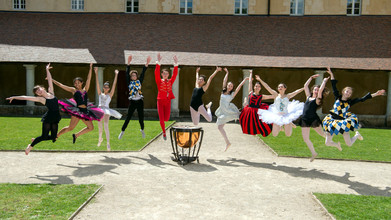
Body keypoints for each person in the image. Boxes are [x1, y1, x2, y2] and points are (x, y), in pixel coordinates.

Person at [322, 67, 386, 148]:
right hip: (332, 120)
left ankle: (356, 135)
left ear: (350, 95)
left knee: (349, 144)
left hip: (343, 122)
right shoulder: (337, 97)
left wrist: (376, 94)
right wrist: (331, 74)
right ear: (343, 92)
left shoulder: (350, 102)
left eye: (350, 93)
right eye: (347, 91)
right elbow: (334, 85)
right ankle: (337, 145)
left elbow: (363, 99)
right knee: (327, 143)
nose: (348, 93)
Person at [6, 63, 61, 155]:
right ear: (38, 95)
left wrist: (47, 70)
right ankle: (30, 146)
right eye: (37, 92)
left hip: (56, 117)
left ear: (42, 88)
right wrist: (14, 97)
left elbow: (50, 80)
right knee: (44, 136)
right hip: (48, 118)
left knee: (54, 138)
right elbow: (25, 97)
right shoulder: (41, 99)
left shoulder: (51, 92)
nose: (39, 91)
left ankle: (36, 139)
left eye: (39, 89)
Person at [54, 63, 104, 143]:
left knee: (91, 128)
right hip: (78, 111)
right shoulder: (74, 90)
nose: (77, 84)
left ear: (82, 83)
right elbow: (61, 85)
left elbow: (89, 79)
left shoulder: (85, 89)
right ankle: (56, 135)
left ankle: (76, 135)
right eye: (75, 83)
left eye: (78, 82)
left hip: (85, 111)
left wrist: (90, 68)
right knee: (70, 128)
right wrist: (52, 80)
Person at [299, 74, 333, 162]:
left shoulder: (318, 99)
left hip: (313, 119)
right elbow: (305, 86)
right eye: (315, 89)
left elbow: (321, 90)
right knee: (305, 138)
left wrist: (324, 81)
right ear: (312, 90)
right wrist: (310, 78)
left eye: (317, 90)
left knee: (322, 134)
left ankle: (329, 137)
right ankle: (314, 153)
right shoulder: (308, 97)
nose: (316, 90)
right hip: (305, 119)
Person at [215, 68, 249, 151]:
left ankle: (248, 119)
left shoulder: (232, 94)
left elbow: (239, 87)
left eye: (231, 86)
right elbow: (224, 80)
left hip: (228, 111)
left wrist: (244, 80)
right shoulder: (223, 91)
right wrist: (227, 72)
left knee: (238, 116)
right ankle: (227, 142)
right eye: (229, 85)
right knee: (220, 127)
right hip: (222, 111)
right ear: (227, 86)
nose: (230, 87)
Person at [119, 55, 151, 139]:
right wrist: (128, 64)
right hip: (132, 101)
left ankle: (142, 129)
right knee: (128, 117)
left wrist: (146, 64)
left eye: (135, 75)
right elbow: (126, 73)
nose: (134, 76)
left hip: (140, 101)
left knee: (141, 117)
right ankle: (122, 131)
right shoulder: (129, 82)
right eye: (132, 75)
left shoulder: (139, 82)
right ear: (131, 77)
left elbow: (143, 73)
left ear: (136, 76)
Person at [94, 68, 121, 151]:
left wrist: (116, 74)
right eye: (104, 87)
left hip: (106, 110)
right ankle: (100, 139)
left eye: (107, 87)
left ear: (108, 89)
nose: (106, 88)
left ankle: (108, 143)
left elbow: (114, 85)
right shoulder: (100, 94)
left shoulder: (110, 94)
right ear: (103, 88)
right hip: (99, 109)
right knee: (99, 127)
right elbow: (97, 84)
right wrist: (96, 73)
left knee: (106, 126)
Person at [239, 70, 273, 136]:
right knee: (248, 124)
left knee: (258, 124)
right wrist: (251, 73)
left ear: (260, 88)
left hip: (256, 112)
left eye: (258, 86)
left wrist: (260, 80)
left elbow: (273, 96)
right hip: (249, 111)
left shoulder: (261, 96)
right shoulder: (250, 93)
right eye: (256, 86)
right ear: (254, 87)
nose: (257, 87)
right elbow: (250, 82)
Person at [154, 53, 178, 140]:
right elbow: (156, 73)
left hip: (167, 101)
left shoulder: (170, 81)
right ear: (162, 74)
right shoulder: (159, 81)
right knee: (161, 119)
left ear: (168, 75)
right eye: (163, 73)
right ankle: (164, 132)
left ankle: (164, 128)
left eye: (166, 74)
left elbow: (175, 74)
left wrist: (175, 64)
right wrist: (158, 63)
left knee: (167, 119)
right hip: (160, 101)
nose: (165, 75)